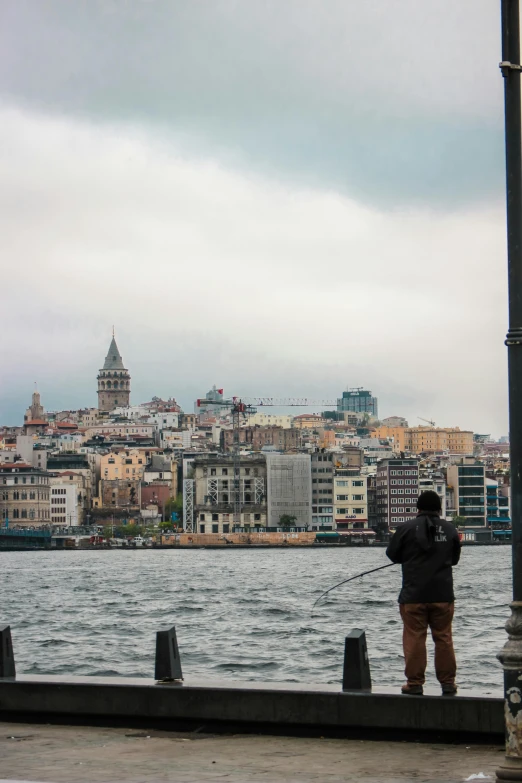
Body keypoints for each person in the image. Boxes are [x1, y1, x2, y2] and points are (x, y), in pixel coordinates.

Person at [386, 490, 461, 696]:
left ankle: (415, 683)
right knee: (444, 638)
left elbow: (392, 554)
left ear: (417, 508)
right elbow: (454, 559)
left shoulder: (405, 529)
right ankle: (448, 683)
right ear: (439, 509)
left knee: (415, 638)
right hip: (443, 595)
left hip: (413, 595)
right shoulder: (450, 529)